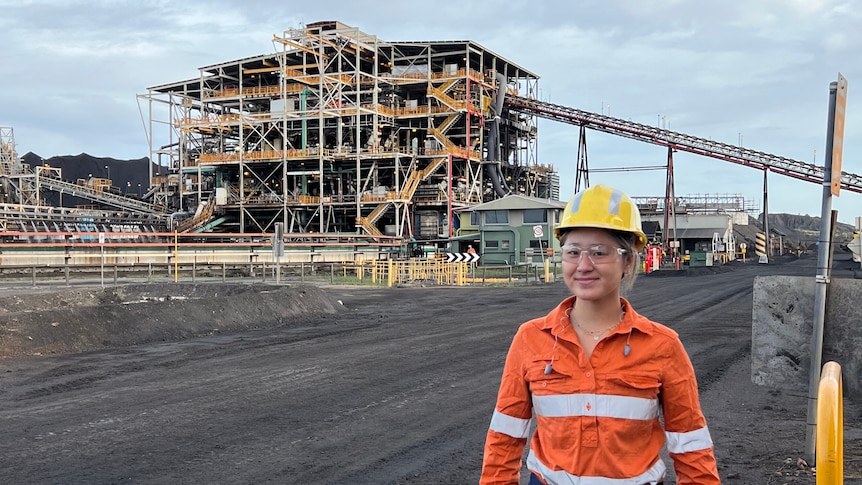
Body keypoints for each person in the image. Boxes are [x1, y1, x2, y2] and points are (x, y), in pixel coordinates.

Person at [480, 184, 720, 485]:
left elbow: (691, 445)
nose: (583, 266)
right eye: (573, 252)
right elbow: (505, 435)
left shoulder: (663, 345)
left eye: (599, 252)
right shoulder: (531, 338)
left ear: (628, 261)